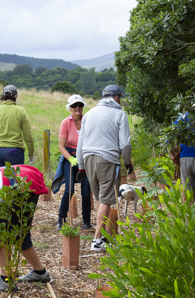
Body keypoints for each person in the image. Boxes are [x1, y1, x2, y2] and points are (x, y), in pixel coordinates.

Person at [77, 85, 133, 252]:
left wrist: (81, 165)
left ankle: (104, 237)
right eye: (120, 98)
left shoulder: (89, 114)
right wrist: (128, 162)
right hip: (107, 158)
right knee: (107, 199)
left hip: (88, 157)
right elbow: (125, 144)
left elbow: (81, 142)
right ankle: (97, 240)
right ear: (116, 98)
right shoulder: (119, 114)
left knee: (101, 199)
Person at [51, 94, 92, 230]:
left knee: (86, 190)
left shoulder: (87, 120)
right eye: (74, 105)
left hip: (85, 159)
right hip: (71, 158)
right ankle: (61, 220)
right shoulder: (65, 123)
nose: (77, 108)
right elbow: (61, 146)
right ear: (70, 108)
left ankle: (86, 221)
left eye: (79, 105)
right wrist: (71, 158)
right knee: (69, 189)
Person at [0, 85, 35, 170]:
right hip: (14, 151)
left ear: (3, 95)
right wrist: (31, 154)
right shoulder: (21, 111)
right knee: (15, 180)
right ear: (16, 96)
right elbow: (28, 136)